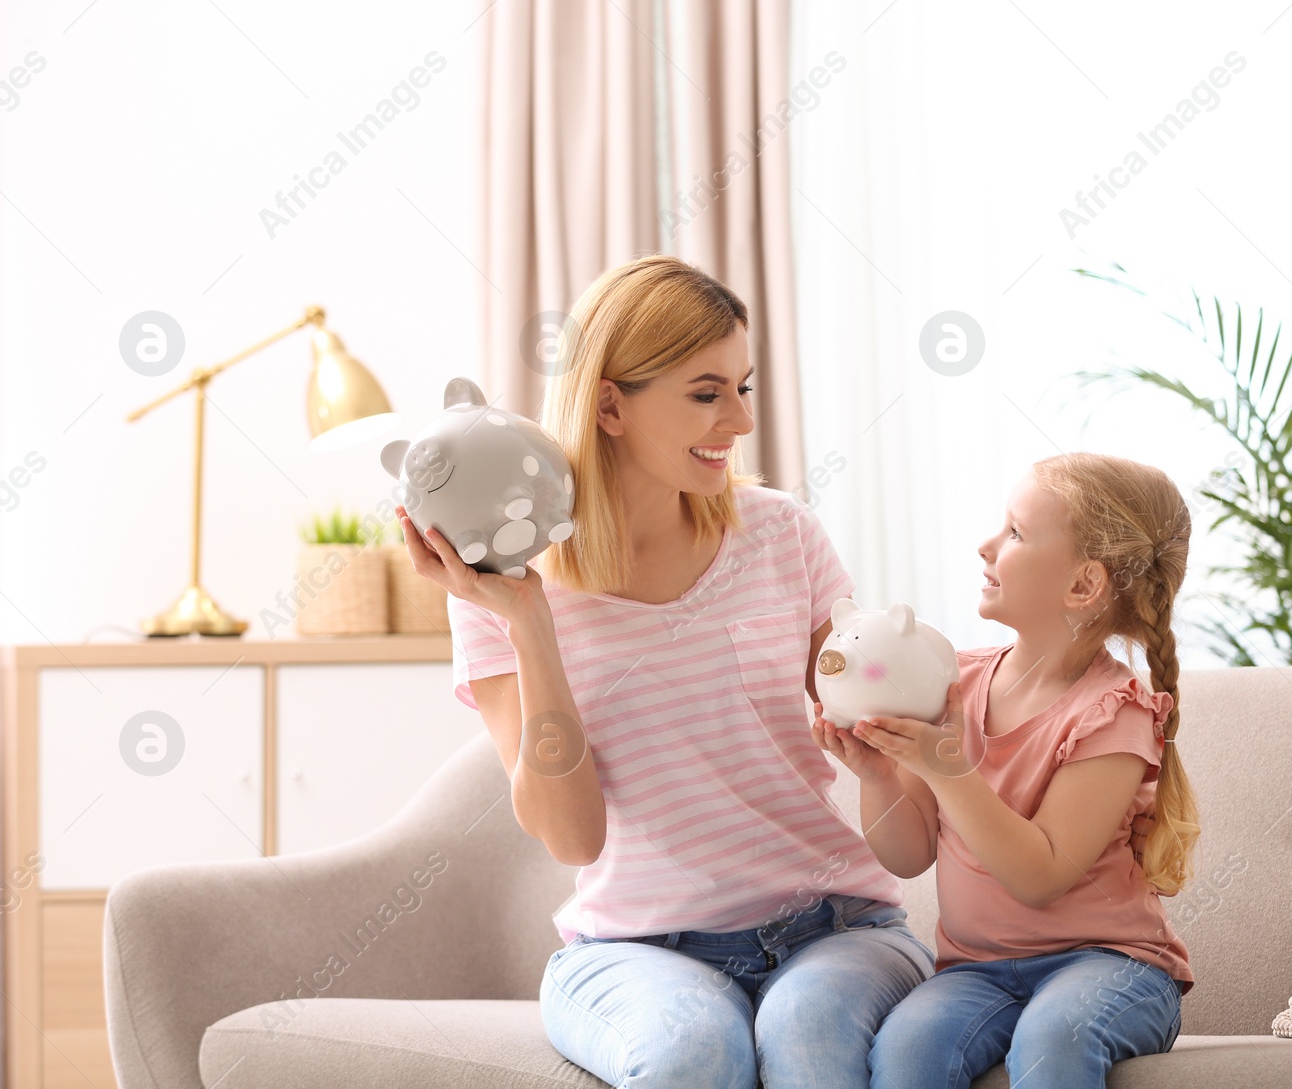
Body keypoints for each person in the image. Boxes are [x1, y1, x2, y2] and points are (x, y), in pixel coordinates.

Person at [396, 254, 934, 1089]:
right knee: (691, 1054)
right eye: (707, 392)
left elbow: (892, 780)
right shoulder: (499, 590)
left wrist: (914, 734)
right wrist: (533, 626)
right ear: (609, 402)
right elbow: (573, 837)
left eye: (743, 388)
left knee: (809, 1034)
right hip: (636, 952)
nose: (740, 420)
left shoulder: (780, 534)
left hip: (838, 929)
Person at [815, 452, 1198, 1089]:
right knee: (906, 1053)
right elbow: (908, 856)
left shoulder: (1113, 714)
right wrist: (880, 777)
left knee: (1055, 1040)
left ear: (1083, 586)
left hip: (1110, 965)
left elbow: (1040, 876)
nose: (986, 544)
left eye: (1015, 533)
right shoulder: (953, 682)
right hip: (975, 970)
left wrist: (950, 772)